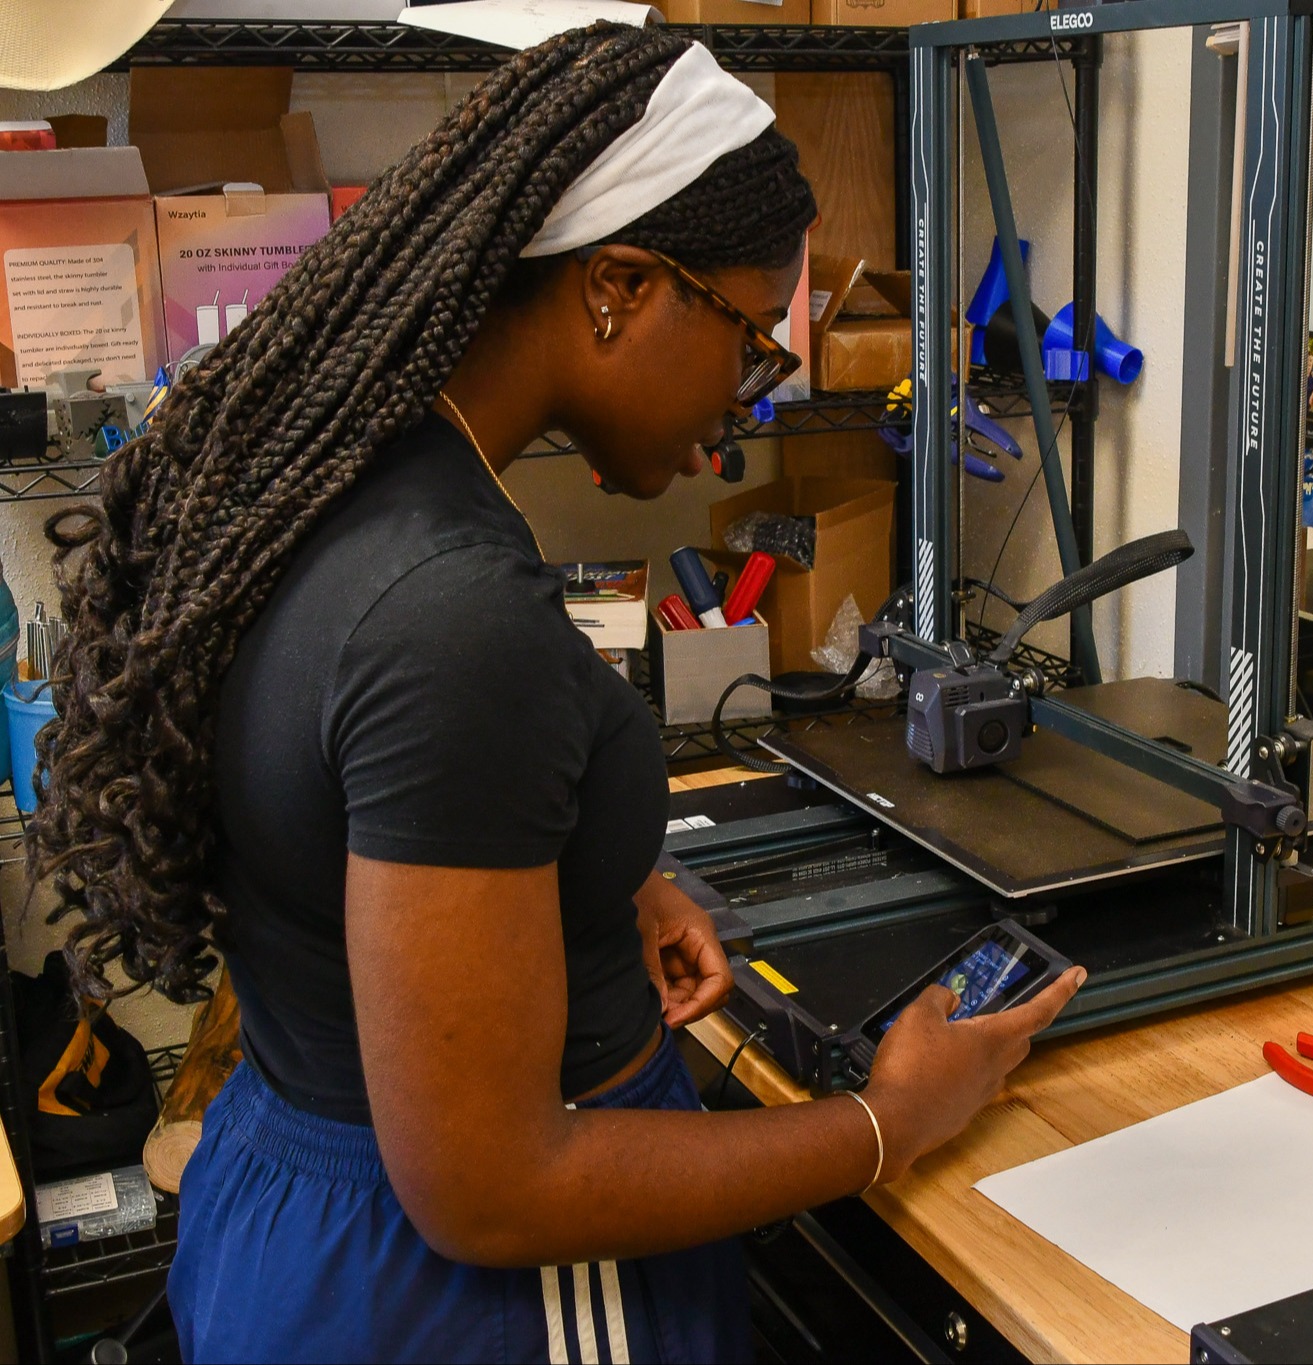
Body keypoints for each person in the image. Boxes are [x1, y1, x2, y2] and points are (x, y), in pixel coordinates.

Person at [27, 24, 1084, 1364]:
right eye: (750, 342)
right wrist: (888, 1123)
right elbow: (493, 1186)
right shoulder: (453, 616)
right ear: (618, 287)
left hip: (297, 1210)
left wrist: (591, 875)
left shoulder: (326, 491)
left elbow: (353, 812)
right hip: (470, 1305)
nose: (751, 399)